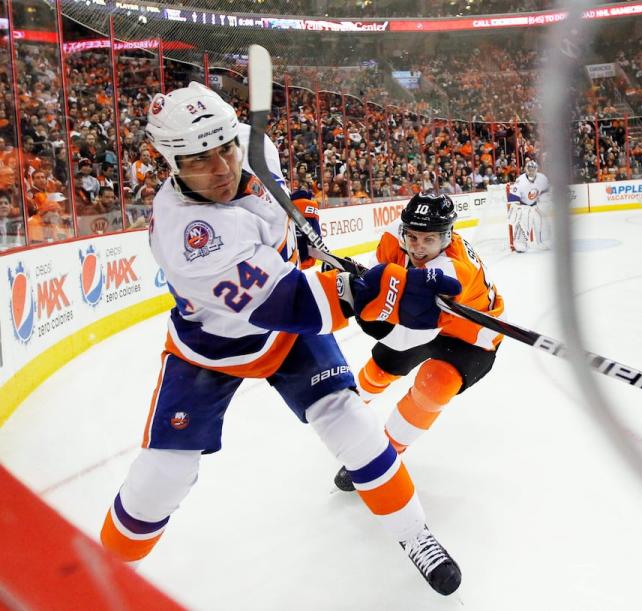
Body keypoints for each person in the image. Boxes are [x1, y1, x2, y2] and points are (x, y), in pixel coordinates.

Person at [98, 82, 464, 596]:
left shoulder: (254, 146)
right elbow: (288, 304)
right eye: (199, 159)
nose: (222, 168)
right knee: (164, 475)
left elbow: (284, 202)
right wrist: (376, 293)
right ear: (170, 161)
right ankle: (98, 578)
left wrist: (302, 216)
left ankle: (416, 535)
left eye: (224, 148)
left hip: (283, 338)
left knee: (354, 423)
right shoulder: (188, 238)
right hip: (213, 350)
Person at [333, 193, 504, 491]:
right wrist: (351, 283)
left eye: (428, 240)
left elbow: (404, 339)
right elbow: (374, 274)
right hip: (422, 317)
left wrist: (362, 309)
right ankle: (352, 406)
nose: (418, 247)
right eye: (412, 237)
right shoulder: (393, 237)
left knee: (435, 384)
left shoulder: (451, 273)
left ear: (446, 237)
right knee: (382, 366)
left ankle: (383, 456)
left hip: (470, 335)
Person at [507, 159, 550, 252]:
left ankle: (543, 241)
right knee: (524, 219)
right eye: (529, 169)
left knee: (541, 219)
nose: (531, 171)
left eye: (533, 169)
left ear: (536, 170)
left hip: (535, 204)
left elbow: (547, 191)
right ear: (526, 170)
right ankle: (520, 242)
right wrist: (517, 210)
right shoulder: (520, 181)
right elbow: (513, 197)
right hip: (523, 205)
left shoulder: (542, 178)